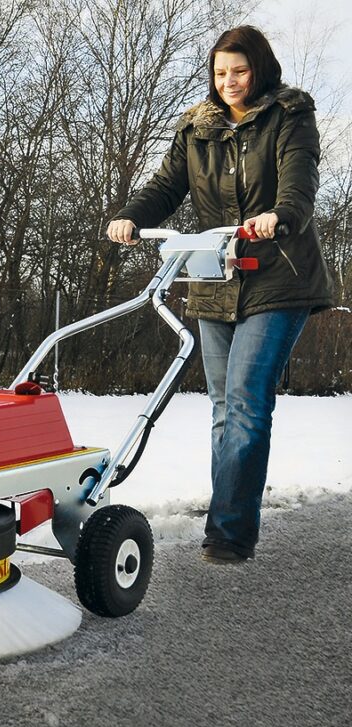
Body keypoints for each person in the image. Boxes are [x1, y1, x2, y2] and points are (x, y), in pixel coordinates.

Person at [107, 26, 335, 564]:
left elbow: (299, 185)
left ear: (259, 69)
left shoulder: (290, 117)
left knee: (246, 405)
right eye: (220, 72)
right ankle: (227, 519)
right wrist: (130, 218)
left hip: (278, 279)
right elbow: (166, 186)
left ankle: (229, 534)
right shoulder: (196, 128)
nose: (228, 81)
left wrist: (279, 216)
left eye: (239, 70)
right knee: (220, 409)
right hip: (213, 278)